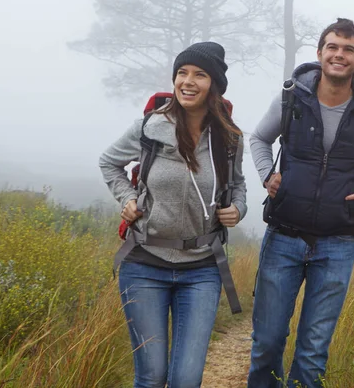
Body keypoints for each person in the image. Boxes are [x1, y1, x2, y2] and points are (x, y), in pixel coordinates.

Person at [247, 18, 354, 388]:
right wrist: (268, 175)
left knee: (313, 351)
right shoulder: (291, 98)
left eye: (348, 49)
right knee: (267, 343)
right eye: (332, 46)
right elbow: (259, 139)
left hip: (338, 242)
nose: (339, 54)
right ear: (319, 54)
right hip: (283, 235)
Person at [100, 41, 247, 388]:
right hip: (144, 263)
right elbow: (109, 163)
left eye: (199, 74)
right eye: (182, 73)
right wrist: (127, 198)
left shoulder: (229, 138)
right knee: (150, 378)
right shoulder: (149, 128)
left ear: (214, 86)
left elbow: (238, 185)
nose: (188, 81)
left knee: (186, 380)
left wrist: (238, 209)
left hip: (202, 269)